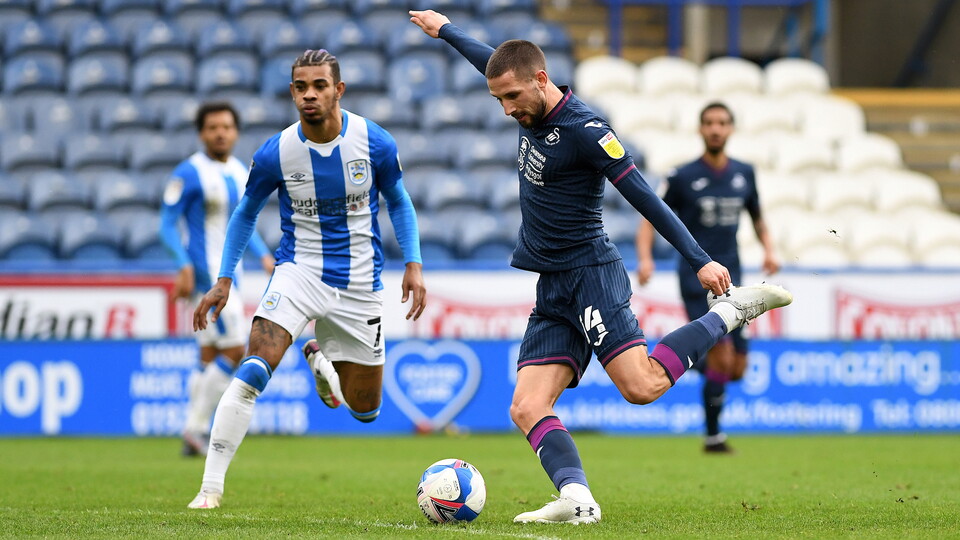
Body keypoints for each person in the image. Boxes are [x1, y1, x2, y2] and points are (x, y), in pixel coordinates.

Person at [409, 10, 791, 524]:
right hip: (553, 286)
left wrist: (700, 260)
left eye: (512, 98)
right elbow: (491, 63)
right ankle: (577, 499)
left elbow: (645, 197)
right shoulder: (523, 97)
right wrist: (447, 29)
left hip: (591, 272)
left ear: (541, 80)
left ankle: (730, 314)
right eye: (497, 98)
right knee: (525, 406)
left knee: (642, 387)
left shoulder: (587, 130)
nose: (505, 109)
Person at [186, 49, 427, 509]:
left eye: (319, 85)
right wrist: (224, 278)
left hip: (361, 285)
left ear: (339, 90)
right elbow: (245, 214)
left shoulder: (374, 142)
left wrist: (412, 262)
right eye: (301, 86)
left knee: (364, 410)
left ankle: (318, 358)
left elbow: (398, 200)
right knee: (254, 368)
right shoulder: (276, 152)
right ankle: (210, 488)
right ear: (292, 92)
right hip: (298, 274)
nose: (309, 94)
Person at [637, 102, 780, 454]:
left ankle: (692, 359)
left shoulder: (744, 173)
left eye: (722, 123)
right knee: (721, 358)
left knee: (736, 368)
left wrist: (769, 249)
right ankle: (713, 436)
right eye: (709, 123)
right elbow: (651, 216)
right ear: (701, 129)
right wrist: (645, 258)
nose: (716, 128)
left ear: (731, 129)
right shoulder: (683, 176)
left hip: (734, 275)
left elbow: (757, 216)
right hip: (696, 276)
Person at [159, 101, 275, 457]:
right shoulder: (188, 173)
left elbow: (244, 222)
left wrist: (264, 255)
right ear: (201, 133)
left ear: (236, 131)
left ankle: (191, 435)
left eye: (226, 126)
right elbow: (165, 225)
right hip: (209, 279)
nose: (220, 133)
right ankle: (195, 429)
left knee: (209, 355)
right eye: (213, 128)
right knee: (237, 350)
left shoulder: (241, 171)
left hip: (232, 276)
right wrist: (182, 263)